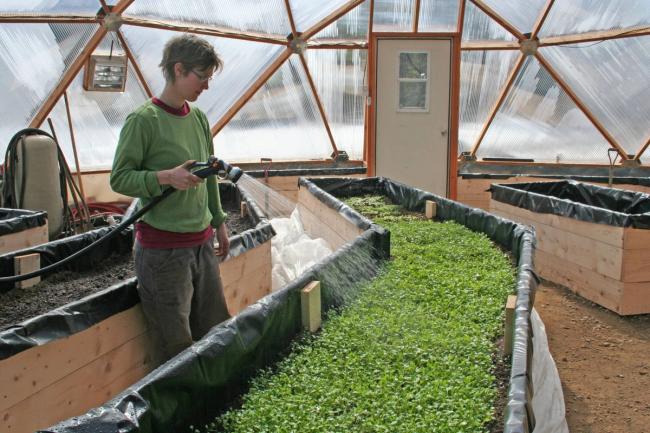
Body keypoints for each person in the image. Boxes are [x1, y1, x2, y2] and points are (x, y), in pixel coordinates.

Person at [110, 34, 231, 362]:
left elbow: (209, 176)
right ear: (179, 70)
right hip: (163, 254)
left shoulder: (199, 119)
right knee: (175, 345)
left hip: (202, 244)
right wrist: (166, 177)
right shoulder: (143, 121)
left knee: (216, 329)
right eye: (201, 77)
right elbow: (119, 178)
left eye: (209, 78)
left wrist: (218, 223)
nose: (205, 86)